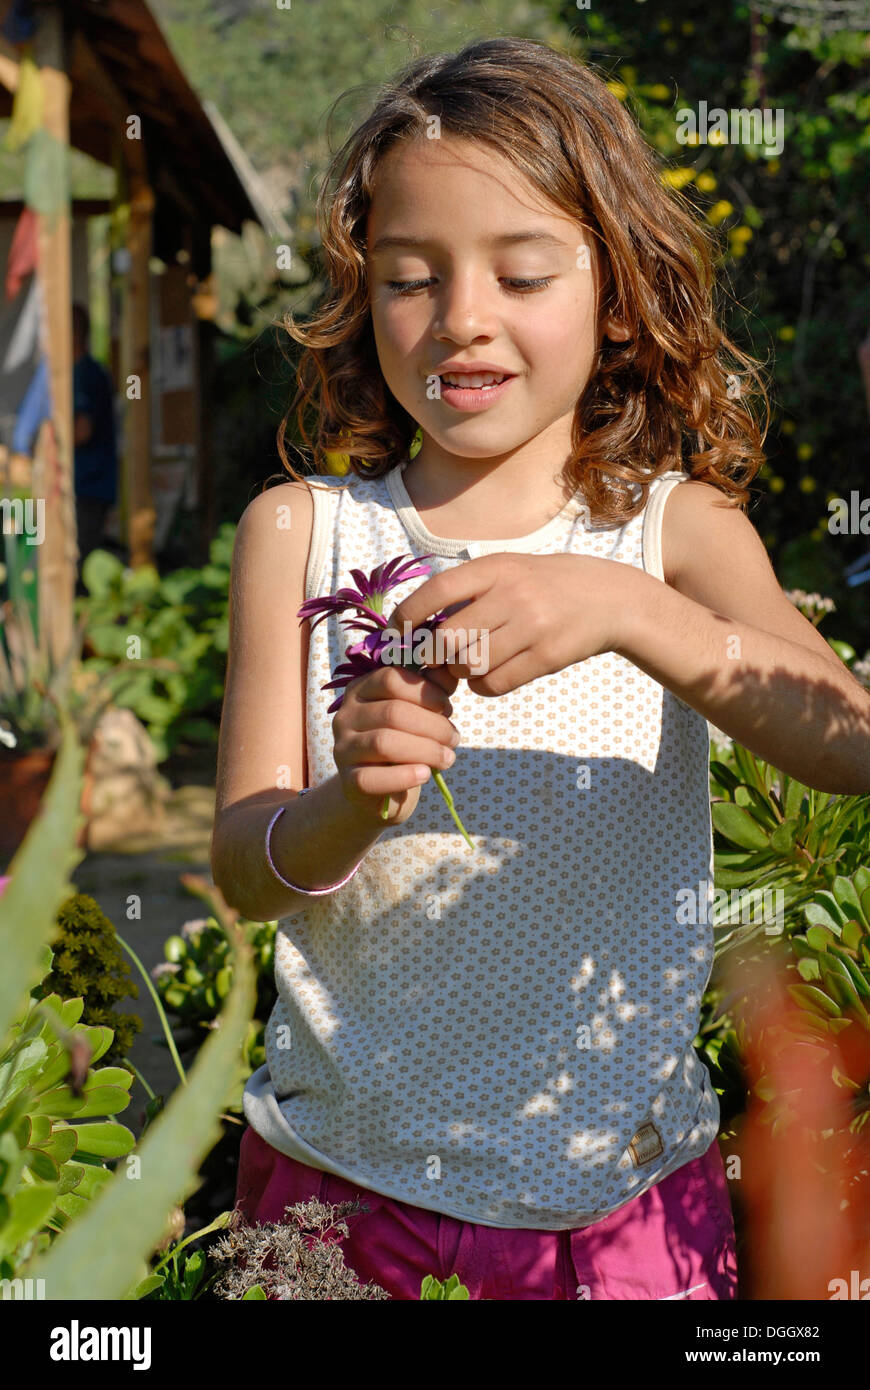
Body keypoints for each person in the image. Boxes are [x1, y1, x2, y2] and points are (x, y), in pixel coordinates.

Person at [211, 38, 870, 1300]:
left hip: (616, 1210)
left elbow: (847, 736)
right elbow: (246, 871)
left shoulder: (674, 535)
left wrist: (633, 610)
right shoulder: (301, 535)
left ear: (617, 292)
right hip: (348, 1193)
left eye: (520, 272)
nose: (462, 316)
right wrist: (350, 802)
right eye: (410, 279)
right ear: (364, 297)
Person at [11, 302, 118, 591]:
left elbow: (81, 430)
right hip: (83, 489)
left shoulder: (83, 374)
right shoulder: (75, 372)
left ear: (71, 334)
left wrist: (46, 445)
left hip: (86, 490)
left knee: (76, 576)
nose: (46, 340)